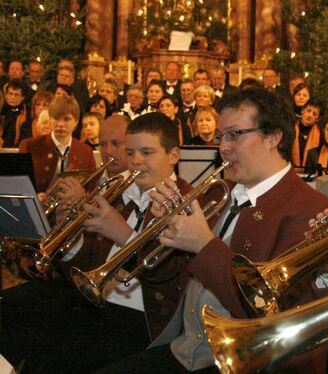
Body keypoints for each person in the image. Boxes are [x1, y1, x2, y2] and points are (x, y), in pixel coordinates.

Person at [94, 87, 328, 373]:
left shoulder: (310, 210)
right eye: (221, 137)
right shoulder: (218, 193)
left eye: (234, 134)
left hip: (240, 363)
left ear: (273, 137)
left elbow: (270, 311)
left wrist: (204, 244)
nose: (222, 147)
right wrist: (164, 234)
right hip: (182, 347)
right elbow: (161, 275)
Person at [0, 113, 198, 373]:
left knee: (51, 352)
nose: (136, 160)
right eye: (132, 152)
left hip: (144, 317)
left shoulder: (190, 203)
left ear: (173, 155)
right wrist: (69, 235)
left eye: (147, 152)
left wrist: (124, 235)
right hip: (97, 302)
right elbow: (87, 263)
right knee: (11, 314)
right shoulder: (122, 194)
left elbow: (177, 281)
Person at [18, 95, 96, 194]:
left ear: (76, 121)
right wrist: (36, 197)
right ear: (50, 119)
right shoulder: (29, 146)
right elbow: (20, 185)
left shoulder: (86, 152)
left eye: (66, 119)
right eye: (56, 118)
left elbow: (90, 189)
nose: (60, 124)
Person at [291, 99, 322, 167]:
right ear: (302, 111)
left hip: (310, 171)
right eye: (308, 111)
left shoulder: (320, 135)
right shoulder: (290, 129)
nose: (310, 115)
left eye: (314, 114)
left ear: (318, 118)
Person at [1, 79, 28, 148]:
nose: (12, 97)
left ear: (22, 98)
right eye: (10, 94)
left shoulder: (27, 114)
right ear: (6, 95)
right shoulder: (1, 111)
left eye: (16, 95)